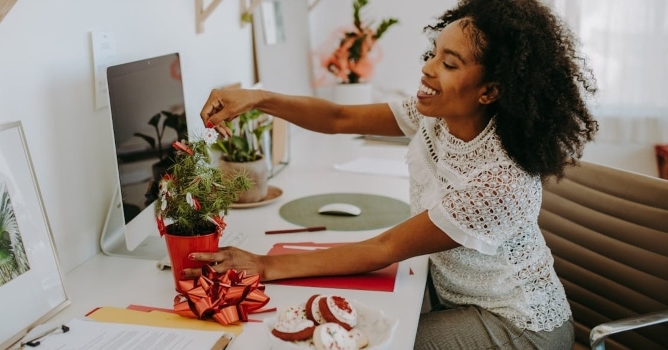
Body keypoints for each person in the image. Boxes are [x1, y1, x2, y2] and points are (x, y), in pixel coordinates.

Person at [188, 0, 598, 348]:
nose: (428, 69)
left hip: (518, 327)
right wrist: (258, 98)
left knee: (367, 339)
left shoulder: (499, 180)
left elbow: (383, 248)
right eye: (433, 53)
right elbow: (339, 116)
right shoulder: (437, 119)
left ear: (489, 91)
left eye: (449, 63)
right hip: (456, 298)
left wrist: (263, 264)